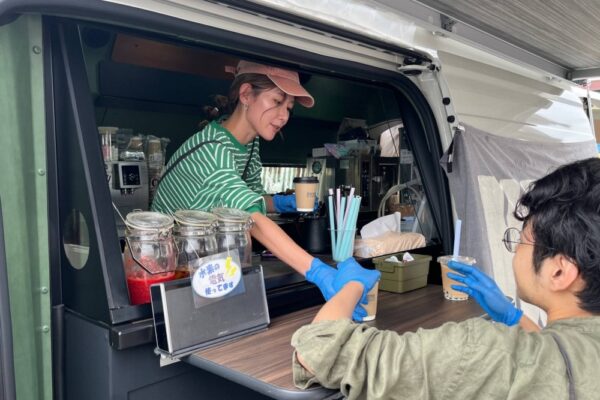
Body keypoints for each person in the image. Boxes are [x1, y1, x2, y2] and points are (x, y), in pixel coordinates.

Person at [291, 157, 600, 399]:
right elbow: (559, 356)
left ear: (559, 271)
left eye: (521, 239)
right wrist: (514, 316)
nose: (515, 249)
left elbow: (321, 352)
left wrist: (352, 285)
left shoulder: (486, 352)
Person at [151, 60, 369, 319]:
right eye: (276, 102)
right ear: (246, 95)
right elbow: (252, 220)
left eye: (289, 108)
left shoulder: (249, 144)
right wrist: (319, 272)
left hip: (207, 260)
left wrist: (282, 202)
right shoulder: (212, 151)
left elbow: (252, 200)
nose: (284, 116)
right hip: (172, 271)